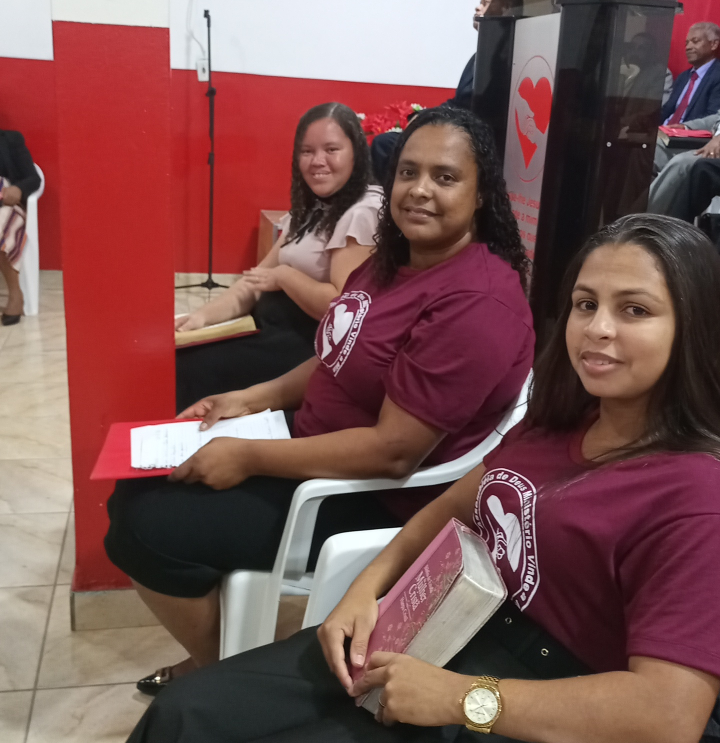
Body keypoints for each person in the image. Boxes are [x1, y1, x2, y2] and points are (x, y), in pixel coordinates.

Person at [86, 214, 720, 743]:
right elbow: (459, 501)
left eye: (635, 310)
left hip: (536, 732)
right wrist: (369, 588)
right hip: (452, 637)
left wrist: (462, 699)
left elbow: (669, 717)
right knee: (193, 713)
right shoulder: (568, 417)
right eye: (586, 303)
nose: (598, 329)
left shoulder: (694, 495)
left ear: (692, 326)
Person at [106, 106, 533, 693]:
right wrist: (251, 399)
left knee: (146, 526)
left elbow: (393, 453)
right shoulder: (392, 262)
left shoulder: (477, 304)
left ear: (481, 194)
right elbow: (337, 353)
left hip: (366, 496)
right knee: (136, 486)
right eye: (409, 172)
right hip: (311, 445)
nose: (419, 190)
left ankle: (218, 680)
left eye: (445, 177)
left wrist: (248, 456)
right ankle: (221, 658)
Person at [175, 103, 382, 410]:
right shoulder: (313, 208)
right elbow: (255, 281)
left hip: (306, 350)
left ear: (356, 153)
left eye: (331, 150)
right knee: (178, 354)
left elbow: (340, 308)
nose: (317, 161)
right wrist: (201, 319)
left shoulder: (363, 211)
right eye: (307, 151)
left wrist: (284, 277)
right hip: (270, 331)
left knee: (188, 370)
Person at [370, 0, 524, 187]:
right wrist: (423, 117)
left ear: (505, 10)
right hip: (457, 128)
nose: (477, 7)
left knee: (385, 145)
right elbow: (458, 102)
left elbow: (480, 111)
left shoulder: (505, 57)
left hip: (472, 139)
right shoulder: (479, 55)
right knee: (387, 142)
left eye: (486, 3)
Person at [653, 22, 720, 176]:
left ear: (714, 44)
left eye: (695, 41)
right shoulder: (684, 77)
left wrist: (680, 130)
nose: (688, 47)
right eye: (686, 43)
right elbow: (667, 110)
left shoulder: (718, 75)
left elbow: (712, 118)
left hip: (686, 139)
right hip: (664, 131)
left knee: (645, 148)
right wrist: (645, 122)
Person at [0, 128, 41, 325]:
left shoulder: (10, 140)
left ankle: (15, 294)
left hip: (6, 204)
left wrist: (18, 189)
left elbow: (33, 178)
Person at [648, 111, 720, 215]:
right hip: (712, 139)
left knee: (683, 164)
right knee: (652, 149)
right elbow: (718, 117)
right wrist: (687, 127)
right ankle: (629, 210)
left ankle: (649, 219)